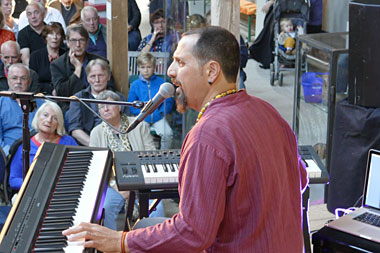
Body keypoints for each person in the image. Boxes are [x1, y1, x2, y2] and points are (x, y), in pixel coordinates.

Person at [63, 26, 308, 252]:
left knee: (135, 235)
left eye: (180, 62)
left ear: (211, 71)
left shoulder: (207, 135)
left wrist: (121, 241)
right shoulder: (269, 111)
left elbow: (194, 232)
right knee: (145, 224)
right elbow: (301, 178)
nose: (170, 71)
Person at [89, 90, 156, 230]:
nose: (105, 109)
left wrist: (135, 184)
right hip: (113, 185)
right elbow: (96, 166)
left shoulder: (139, 126)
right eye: (101, 107)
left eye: (109, 104)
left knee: (157, 207)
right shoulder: (96, 132)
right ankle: (111, 247)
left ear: (119, 106)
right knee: (105, 207)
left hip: (142, 182)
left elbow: (152, 155)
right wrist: (116, 185)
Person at [9, 101, 77, 190]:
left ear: (58, 124)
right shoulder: (25, 145)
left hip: (63, 190)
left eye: (55, 118)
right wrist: (33, 184)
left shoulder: (68, 142)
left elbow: (79, 169)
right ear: (37, 117)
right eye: (45, 115)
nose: (49, 120)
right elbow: (13, 180)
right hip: (31, 191)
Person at [50, 23, 115, 112]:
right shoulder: (57, 65)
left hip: (99, 106)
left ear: (87, 42)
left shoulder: (100, 61)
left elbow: (110, 87)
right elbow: (62, 94)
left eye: (82, 40)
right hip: (72, 109)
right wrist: (78, 69)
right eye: (73, 40)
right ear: (68, 43)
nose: (78, 45)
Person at [67, 59, 128, 146]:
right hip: (88, 145)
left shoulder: (119, 98)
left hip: (117, 144)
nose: (97, 80)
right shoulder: (78, 98)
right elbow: (75, 130)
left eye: (101, 75)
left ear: (108, 77)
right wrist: (95, 145)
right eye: (92, 76)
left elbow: (125, 125)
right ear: (87, 78)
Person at [128, 52, 174, 150]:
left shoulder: (161, 82)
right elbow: (131, 104)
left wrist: (161, 113)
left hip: (158, 116)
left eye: (149, 67)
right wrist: (142, 114)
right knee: (139, 135)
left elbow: (168, 101)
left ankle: (163, 155)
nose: (146, 70)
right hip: (142, 117)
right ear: (139, 68)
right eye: (143, 67)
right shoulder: (135, 84)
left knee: (168, 134)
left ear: (154, 68)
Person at [0, 63, 44, 155]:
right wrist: (7, 155)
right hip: (11, 154)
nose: (18, 81)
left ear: (29, 81)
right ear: (8, 80)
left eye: (23, 78)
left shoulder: (42, 104)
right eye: (14, 78)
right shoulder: (1, 103)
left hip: (39, 153)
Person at [29, 22, 66, 94]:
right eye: (51, 34)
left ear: (61, 38)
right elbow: (33, 81)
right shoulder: (35, 56)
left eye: (58, 34)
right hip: (42, 95)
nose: (54, 37)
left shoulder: (66, 55)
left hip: (64, 95)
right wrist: (50, 90)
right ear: (45, 36)